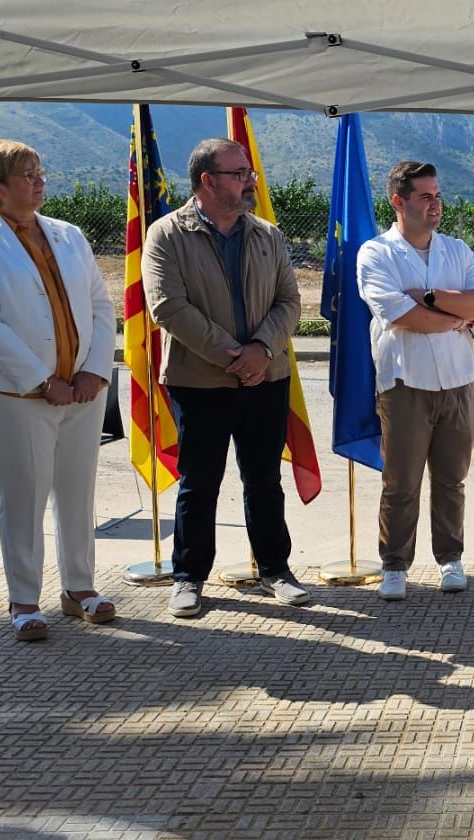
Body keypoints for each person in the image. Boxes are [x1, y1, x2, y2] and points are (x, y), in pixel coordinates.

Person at [143, 138, 306, 618]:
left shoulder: (268, 235)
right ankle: (189, 577)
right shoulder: (167, 234)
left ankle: (275, 570)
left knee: (264, 479)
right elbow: (167, 307)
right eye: (239, 173)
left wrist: (261, 351)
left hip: (266, 377)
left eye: (249, 172)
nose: (249, 180)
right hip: (199, 382)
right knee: (199, 483)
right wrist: (235, 355)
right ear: (208, 181)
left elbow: (289, 302)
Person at [0, 139, 117, 641]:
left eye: (39, 171)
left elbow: (99, 304)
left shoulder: (69, 235)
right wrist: (39, 379)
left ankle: (79, 588)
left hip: (82, 391)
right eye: (27, 174)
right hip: (15, 396)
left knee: (78, 491)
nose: (39, 180)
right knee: (24, 497)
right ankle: (24, 600)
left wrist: (95, 369)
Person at [357, 161, 474, 601]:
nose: (435, 205)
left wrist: (432, 297)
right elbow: (400, 315)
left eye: (437, 196)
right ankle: (394, 565)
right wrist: (455, 314)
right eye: (425, 197)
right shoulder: (375, 254)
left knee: (452, 478)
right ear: (398, 201)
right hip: (404, 383)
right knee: (401, 481)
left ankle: (450, 558)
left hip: (458, 381)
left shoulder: (457, 250)